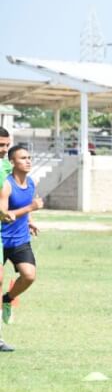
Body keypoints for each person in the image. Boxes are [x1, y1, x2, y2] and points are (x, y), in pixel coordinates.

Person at [0, 145, 43, 350]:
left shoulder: (31, 183)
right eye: (23, 158)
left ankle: (7, 299)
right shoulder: (6, 185)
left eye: (29, 157)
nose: (28, 161)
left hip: (20, 240)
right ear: (12, 162)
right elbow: (4, 215)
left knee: (29, 276)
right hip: (1, 239)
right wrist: (30, 208)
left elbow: (25, 210)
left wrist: (29, 220)